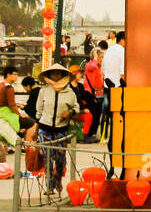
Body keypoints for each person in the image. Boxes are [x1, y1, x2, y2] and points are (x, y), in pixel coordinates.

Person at [24, 64, 79, 198]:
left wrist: (70, 112)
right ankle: (49, 186)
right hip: (45, 127)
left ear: (63, 75)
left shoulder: (70, 92)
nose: (55, 76)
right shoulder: (44, 91)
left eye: (58, 73)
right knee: (47, 156)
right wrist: (36, 129)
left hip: (61, 129)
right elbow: (39, 111)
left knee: (60, 159)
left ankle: (58, 178)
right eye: (52, 73)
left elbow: (76, 108)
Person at [83, 48, 104, 140]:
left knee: (98, 114)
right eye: (100, 57)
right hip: (90, 93)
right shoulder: (89, 65)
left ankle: (94, 134)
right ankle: (90, 134)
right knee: (94, 113)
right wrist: (95, 57)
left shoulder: (100, 67)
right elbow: (92, 67)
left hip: (99, 93)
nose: (101, 59)